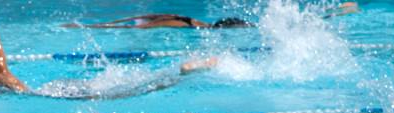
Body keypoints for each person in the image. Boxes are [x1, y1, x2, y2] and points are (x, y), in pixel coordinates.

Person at [0, 25, 218, 97]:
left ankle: (181, 73)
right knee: (124, 85)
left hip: (62, 95)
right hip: (57, 88)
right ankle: (180, 71)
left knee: (135, 90)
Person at [62, 4, 359, 29]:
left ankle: (332, 13)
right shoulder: (179, 22)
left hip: (204, 25)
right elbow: (139, 19)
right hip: (206, 26)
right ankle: (332, 14)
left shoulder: (179, 20)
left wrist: (92, 26)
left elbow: (140, 17)